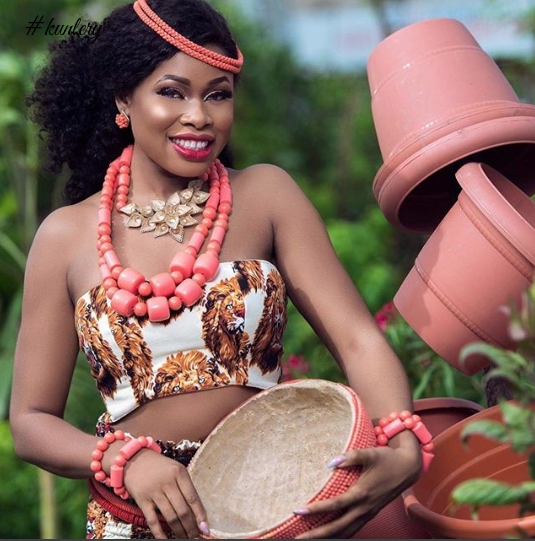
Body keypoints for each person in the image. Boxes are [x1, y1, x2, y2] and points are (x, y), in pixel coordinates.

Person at [9, 0, 427, 538]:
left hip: (276, 500)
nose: (199, 116)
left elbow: (357, 340)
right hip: (140, 520)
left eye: (218, 95)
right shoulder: (65, 236)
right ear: (122, 97)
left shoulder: (267, 195)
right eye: (172, 92)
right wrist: (124, 460)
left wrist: (402, 439)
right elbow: (30, 421)